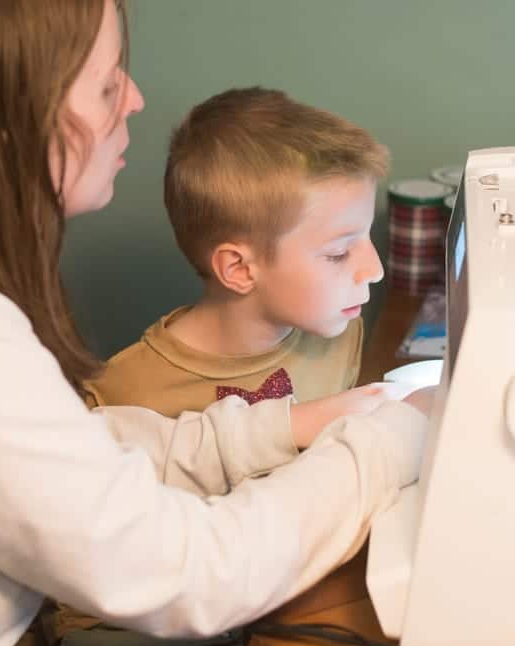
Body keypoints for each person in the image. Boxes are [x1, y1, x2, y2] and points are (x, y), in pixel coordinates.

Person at [0, 2, 430, 646]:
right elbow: (189, 575)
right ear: (7, 122)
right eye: (104, 86)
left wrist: (283, 428)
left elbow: (87, 452)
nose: (132, 99)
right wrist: (392, 438)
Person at [82, 87, 388, 418]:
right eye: (339, 253)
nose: (375, 270)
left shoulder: (339, 334)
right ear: (239, 269)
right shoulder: (120, 397)